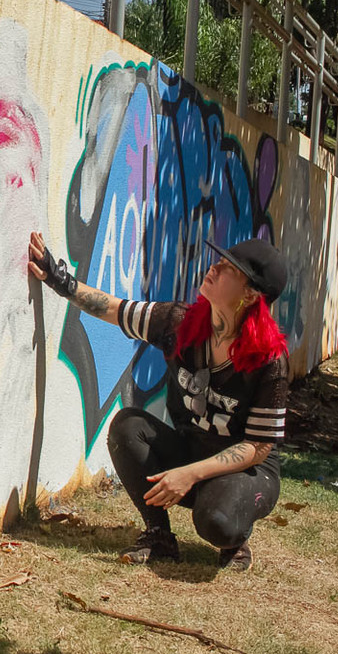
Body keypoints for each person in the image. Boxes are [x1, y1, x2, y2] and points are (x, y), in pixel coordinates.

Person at [27, 231, 290, 571]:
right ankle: (158, 536)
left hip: (247, 472)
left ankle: (234, 535)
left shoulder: (268, 359)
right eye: (220, 261)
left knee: (217, 524)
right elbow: (114, 309)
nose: (214, 268)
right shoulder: (180, 322)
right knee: (128, 427)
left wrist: (190, 475)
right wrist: (58, 278)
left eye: (229, 269)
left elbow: (258, 447)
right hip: (190, 449)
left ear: (251, 295)